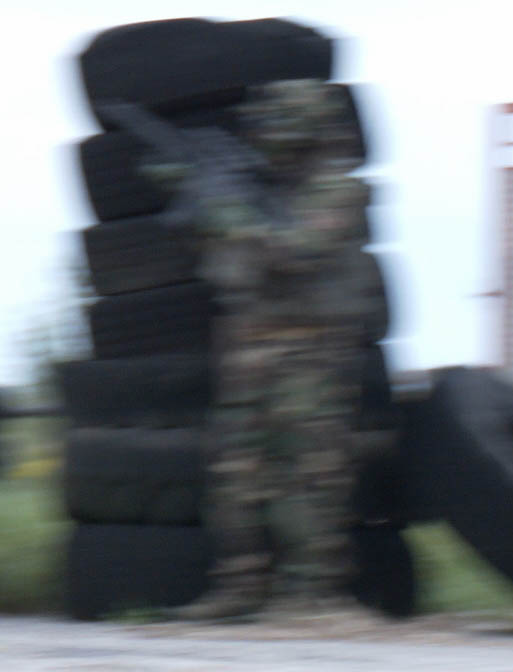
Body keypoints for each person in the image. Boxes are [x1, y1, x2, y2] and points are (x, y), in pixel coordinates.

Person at [164, 78, 373, 621]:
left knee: (310, 471)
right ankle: (240, 586)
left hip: (309, 351)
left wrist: (235, 221)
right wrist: (201, 200)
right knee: (236, 471)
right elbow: (220, 261)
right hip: (247, 347)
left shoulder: (338, 189)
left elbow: (300, 251)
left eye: (283, 121)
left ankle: (313, 592)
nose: (268, 132)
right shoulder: (255, 186)